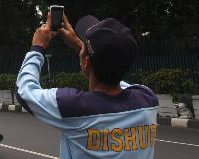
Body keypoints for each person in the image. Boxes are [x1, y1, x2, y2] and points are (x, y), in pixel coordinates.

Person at [17, 13, 158, 158]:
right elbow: (115, 75)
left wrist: (38, 47)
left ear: (86, 63)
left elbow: (24, 92)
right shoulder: (148, 99)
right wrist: (83, 50)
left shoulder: (74, 107)